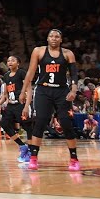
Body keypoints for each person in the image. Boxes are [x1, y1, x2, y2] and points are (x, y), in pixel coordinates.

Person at [21, 29, 82, 171]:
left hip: (62, 91)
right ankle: (33, 158)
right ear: (47, 38)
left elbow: (74, 74)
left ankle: (74, 159)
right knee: (40, 121)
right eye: (51, 36)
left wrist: (73, 90)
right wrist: (23, 91)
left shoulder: (68, 54)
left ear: (61, 40)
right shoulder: (38, 51)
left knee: (66, 122)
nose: (54, 38)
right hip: (43, 90)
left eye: (57, 36)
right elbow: (31, 72)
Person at [0, 56, 30, 163]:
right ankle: (22, 145)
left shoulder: (21, 73)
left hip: (20, 104)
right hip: (11, 105)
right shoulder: (6, 76)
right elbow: (5, 94)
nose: (10, 62)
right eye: (8, 61)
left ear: (18, 63)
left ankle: (31, 150)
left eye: (13, 60)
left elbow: (28, 89)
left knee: (27, 126)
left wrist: (27, 105)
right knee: (4, 124)